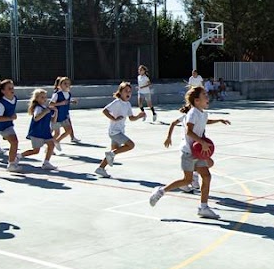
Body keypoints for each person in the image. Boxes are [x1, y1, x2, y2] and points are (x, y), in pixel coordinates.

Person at [149, 85, 231, 219]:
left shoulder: (202, 113)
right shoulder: (192, 113)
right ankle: (161, 191)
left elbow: (205, 121)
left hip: (197, 152)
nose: (207, 96)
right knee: (186, 180)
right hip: (188, 152)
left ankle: (203, 207)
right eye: (204, 95)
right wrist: (203, 142)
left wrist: (219, 120)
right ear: (196, 101)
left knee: (207, 176)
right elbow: (189, 131)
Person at [94, 82, 146, 178]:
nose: (128, 93)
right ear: (120, 92)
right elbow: (105, 110)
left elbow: (131, 118)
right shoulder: (117, 102)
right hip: (114, 132)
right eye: (126, 91)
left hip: (120, 131)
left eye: (130, 91)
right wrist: (113, 119)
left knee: (113, 152)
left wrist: (139, 116)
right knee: (131, 145)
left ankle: (101, 168)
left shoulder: (128, 104)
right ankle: (109, 156)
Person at [20, 89, 58, 170]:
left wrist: (56, 112)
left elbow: (53, 121)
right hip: (37, 132)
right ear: (37, 98)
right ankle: (19, 156)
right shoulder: (38, 108)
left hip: (45, 131)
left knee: (51, 145)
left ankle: (46, 162)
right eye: (42, 97)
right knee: (35, 151)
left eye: (45, 97)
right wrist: (45, 111)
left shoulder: (46, 108)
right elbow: (36, 118)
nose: (44, 99)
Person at [51, 77, 80, 149]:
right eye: (65, 83)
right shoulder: (57, 94)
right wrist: (61, 103)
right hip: (56, 116)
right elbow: (51, 104)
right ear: (60, 85)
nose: (67, 85)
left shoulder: (68, 94)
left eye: (68, 83)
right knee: (56, 133)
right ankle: (50, 146)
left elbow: (67, 101)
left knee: (69, 130)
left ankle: (57, 141)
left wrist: (72, 101)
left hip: (64, 115)